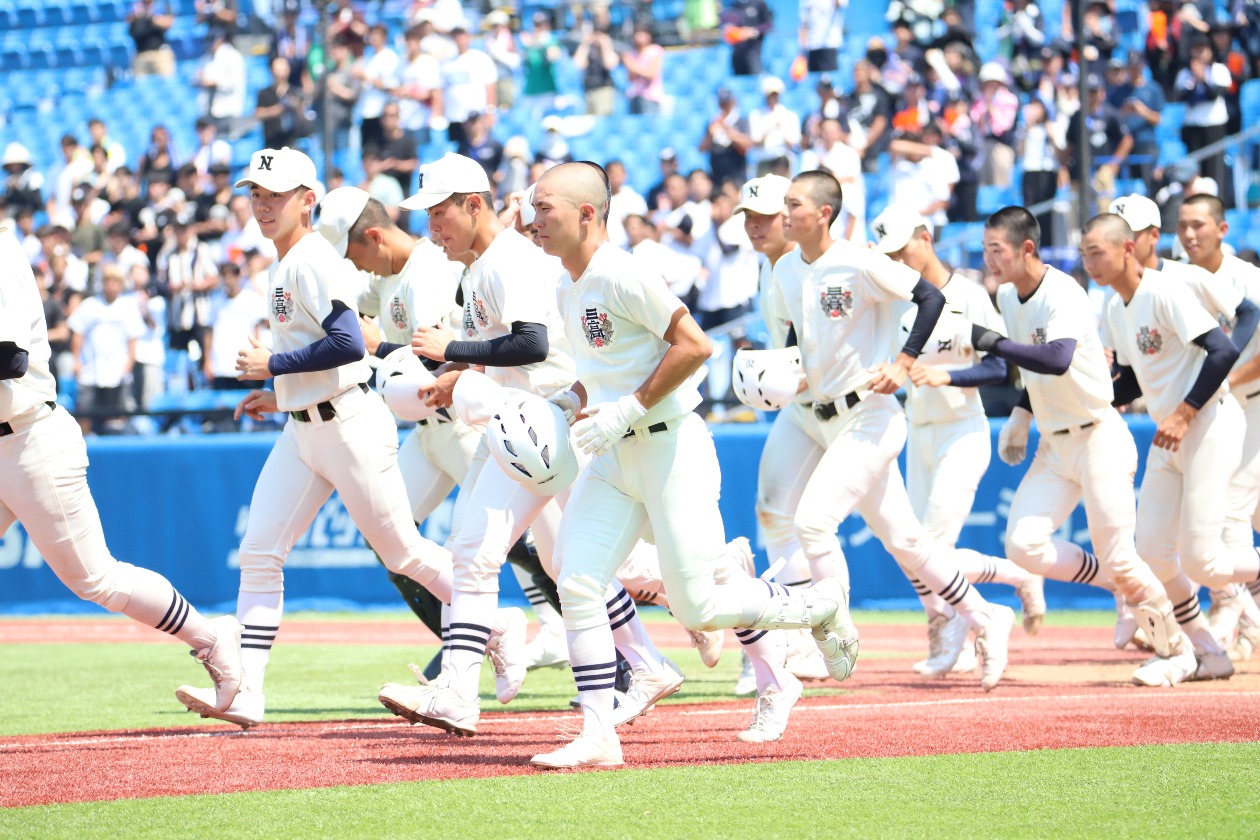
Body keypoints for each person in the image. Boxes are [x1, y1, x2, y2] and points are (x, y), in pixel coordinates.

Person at [523, 162, 855, 770]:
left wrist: (628, 408)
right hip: (615, 454)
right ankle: (599, 734)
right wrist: (569, 400)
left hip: (671, 447)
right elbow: (602, 369)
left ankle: (819, 606)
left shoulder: (622, 272)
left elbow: (697, 346)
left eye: (544, 208)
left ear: (587, 214)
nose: (532, 219)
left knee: (699, 607)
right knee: (577, 580)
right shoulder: (567, 284)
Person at [174, 147, 479, 728]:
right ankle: (247, 691)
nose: (263, 205)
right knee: (259, 552)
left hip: (348, 423)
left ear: (307, 200)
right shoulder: (287, 261)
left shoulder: (312, 258)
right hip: (304, 426)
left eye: (276, 195)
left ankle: (497, 626)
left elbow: (347, 342)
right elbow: (325, 349)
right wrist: (283, 393)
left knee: (403, 552)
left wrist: (273, 365)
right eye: (255, 195)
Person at [375, 154, 667, 736]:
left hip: (547, 422)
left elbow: (530, 344)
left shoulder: (507, 259)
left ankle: (460, 692)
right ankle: (647, 663)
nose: (432, 227)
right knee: (543, 559)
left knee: (490, 553)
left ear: (473, 205)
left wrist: (454, 351)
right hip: (520, 419)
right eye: (427, 215)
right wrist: (457, 371)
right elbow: (501, 351)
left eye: (439, 212)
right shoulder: (482, 266)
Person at [771, 170, 1017, 692]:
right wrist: (785, 373)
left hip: (871, 415)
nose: (783, 213)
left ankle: (833, 638)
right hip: (823, 416)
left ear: (823, 214)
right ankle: (985, 615)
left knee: (812, 524)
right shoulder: (786, 268)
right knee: (908, 542)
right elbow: (798, 334)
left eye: (793, 204)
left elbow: (931, 298)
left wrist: (903, 363)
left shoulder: (861, 262)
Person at [315, 186, 564, 677]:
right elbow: (343, 309)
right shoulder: (385, 275)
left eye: (352, 252)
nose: (353, 264)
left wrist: (378, 347)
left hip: (464, 421)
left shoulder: (426, 268)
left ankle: (605, 648)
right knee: (389, 538)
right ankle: (471, 644)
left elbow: (434, 360)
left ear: (374, 237)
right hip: (429, 432)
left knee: (526, 546)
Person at [1, 225, 242, 712]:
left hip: (31, 440)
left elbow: (10, 359)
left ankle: (212, 638)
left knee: (97, 580)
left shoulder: (2, 249)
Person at [969, 206, 1185, 675]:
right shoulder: (1007, 295)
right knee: (1022, 546)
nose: (989, 259)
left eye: (997, 249)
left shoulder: (1062, 290)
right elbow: (1035, 370)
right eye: (985, 249)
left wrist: (994, 343)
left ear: (1027, 248)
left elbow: (1056, 358)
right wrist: (1021, 415)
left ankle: (1178, 649)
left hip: (1098, 437)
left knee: (1122, 556)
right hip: (1054, 445)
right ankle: (1115, 583)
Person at [869, 206, 1046, 674]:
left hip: (963, 430)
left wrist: (946, 375)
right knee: (912, 550)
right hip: (918, 432)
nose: (897, 261)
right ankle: (1015, 580)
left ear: (926, 238)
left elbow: (1001, 366)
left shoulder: (968, 294)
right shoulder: (894, 300)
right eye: (888, 255)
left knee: (931, 546)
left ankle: (954, 635)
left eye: (902, 250)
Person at [1084, 212, 1252, 683]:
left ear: (1127, 249)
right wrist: (1087, 398)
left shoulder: (1165, 290)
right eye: (1084, 254)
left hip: (1209, 423)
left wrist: (1185, 412)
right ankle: (1209, 653)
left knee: (1204, 561)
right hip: (1168, 434)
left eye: (1097, 253)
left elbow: (1222, 350)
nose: (1089, 263)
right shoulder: (1114, 308)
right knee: (1153, 553)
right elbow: (1134, 380)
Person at [730, 173, 831, 739]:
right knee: (775, 513)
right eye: (748, 217)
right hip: (803, 408)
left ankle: (974, 614)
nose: (754, 226)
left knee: (903, 537)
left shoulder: (807, 266)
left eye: (765, 216)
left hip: (846, 411)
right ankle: (796, 639)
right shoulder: (771, 268)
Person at [1175, 194, 1260, 645]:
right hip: (1210, 408)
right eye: (1183, 225)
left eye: (1199, 225)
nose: (1190, 234)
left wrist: (1222, 381)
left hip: (1251, 403)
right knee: (1243, 515)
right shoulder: (1176, 279)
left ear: (1222, 229)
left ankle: (1237, 619)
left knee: (1230, 513)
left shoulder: (1248, 279)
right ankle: (1242, 613)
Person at [67, 265, 144, 435]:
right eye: (109, 282)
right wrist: (77, 361)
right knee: (85, 417)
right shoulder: (89, 305)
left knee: (117, 420)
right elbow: (77, 333)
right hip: (90, 371)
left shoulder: (128, 306)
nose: (112, 286)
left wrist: (128, 366)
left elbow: (133, 340)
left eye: (116, 282)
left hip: (118, 372)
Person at [440, 22, 498, 148]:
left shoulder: (480, 58)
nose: (459, 39)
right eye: (456, 35)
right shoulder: (447, 62)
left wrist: (490, 112)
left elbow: (490, 87)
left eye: (462, 35)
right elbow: (442, 90)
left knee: (480, 150)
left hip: (476, 117)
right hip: (455, 117)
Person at [700, 88, 753, 187]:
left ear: (733, 102)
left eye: (727, 103)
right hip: (717, 175)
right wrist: (710, 134)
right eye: (722, 103)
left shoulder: (741, 121)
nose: (724, 106)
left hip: (736, 174)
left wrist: (727, 130)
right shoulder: (713, 123)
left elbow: (746, 146)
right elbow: (702, 149)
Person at [722, 0, 773, 76]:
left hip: (753, 51)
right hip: (737, 54)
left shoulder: (759, 3)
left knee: (754, 75)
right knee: (737, 78)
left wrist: (753, 31)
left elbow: (768, 25)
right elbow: (727, 26)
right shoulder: (734, 4)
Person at [622, 24, 665, 115]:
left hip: (650, 96)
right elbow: (631, 78)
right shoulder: (632, 53)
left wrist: (632, 66)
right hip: (634, 95)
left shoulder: (654, 50)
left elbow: (651, 74)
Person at [128, 0, 175, 78]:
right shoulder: (136, 6)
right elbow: (129, 22)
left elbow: (169, 22)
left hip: (159, 54)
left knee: (166, 82)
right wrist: (137, 16)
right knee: (140, 83)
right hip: (141, 54)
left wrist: (151, 17)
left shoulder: (160, 5)